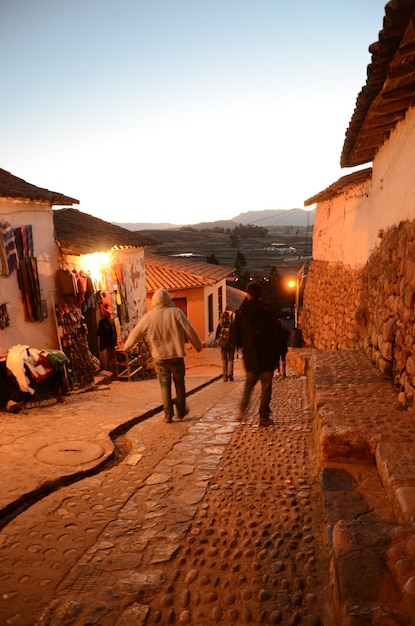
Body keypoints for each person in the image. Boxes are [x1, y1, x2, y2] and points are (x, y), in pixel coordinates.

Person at [123, 288, 203, 422]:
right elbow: (189, 328)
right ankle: (181, 410)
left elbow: (136, 333)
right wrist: (198, 345)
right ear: (168, 300)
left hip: (160, 357)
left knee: (165, 386)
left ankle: (168, 414)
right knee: (179, 384)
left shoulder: (149, 317)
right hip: (176, 356)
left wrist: (127, 347)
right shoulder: (176, 312)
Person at [234, 281, 280, 427]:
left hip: (251, 356)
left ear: (248, 295)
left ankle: (242, 410)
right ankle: (264, 417)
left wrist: (243, 347)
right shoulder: (269, 311)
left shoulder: (241, 313)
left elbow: (236, 337)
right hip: (267, 356)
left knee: (249, 383)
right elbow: (276, 335)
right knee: (266, 386)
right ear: (261, 295)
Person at [215, 311, 235, 381]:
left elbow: (216, 336)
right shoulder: (232, 325)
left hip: (222, 346)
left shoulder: (220, 325)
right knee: (230, 360)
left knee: (224, 360)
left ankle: (224, 376)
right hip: (231, 345)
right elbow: (235, 335)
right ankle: (230, 374)